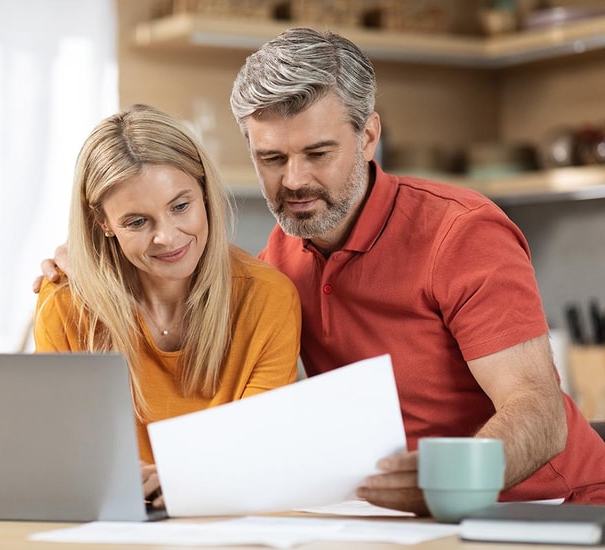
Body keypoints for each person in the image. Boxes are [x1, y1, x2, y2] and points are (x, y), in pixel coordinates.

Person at [36, 29, 605, 513]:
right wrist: (87, 256)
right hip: (403, 515)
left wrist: (447, 483)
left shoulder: (461, 234)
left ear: (369, 137)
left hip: (549, 507)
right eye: (272, 159)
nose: (294, 182)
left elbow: (539, 412)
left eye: (318, 153)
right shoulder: (279, 260)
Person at [33, 104, 301, 507]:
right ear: (103, 223)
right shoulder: (65, 306)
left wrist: (181, 479)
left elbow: (258, 453)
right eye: (137, 222)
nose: (167, 237)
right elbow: (59, 458)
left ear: (204, 191)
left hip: (227, 520)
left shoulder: (267, 298)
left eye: (180, 206)